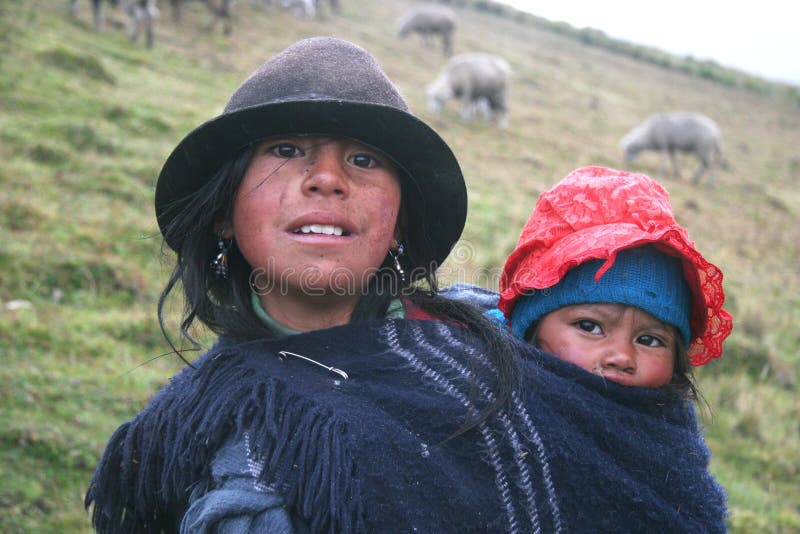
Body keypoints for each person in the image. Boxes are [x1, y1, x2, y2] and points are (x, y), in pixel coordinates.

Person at [85, 36, 519, 533]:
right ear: (225, 213)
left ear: (399, 223)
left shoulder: (497, 350)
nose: (327, 178)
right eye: (287, 150)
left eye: (363, 159)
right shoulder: (176, 439)